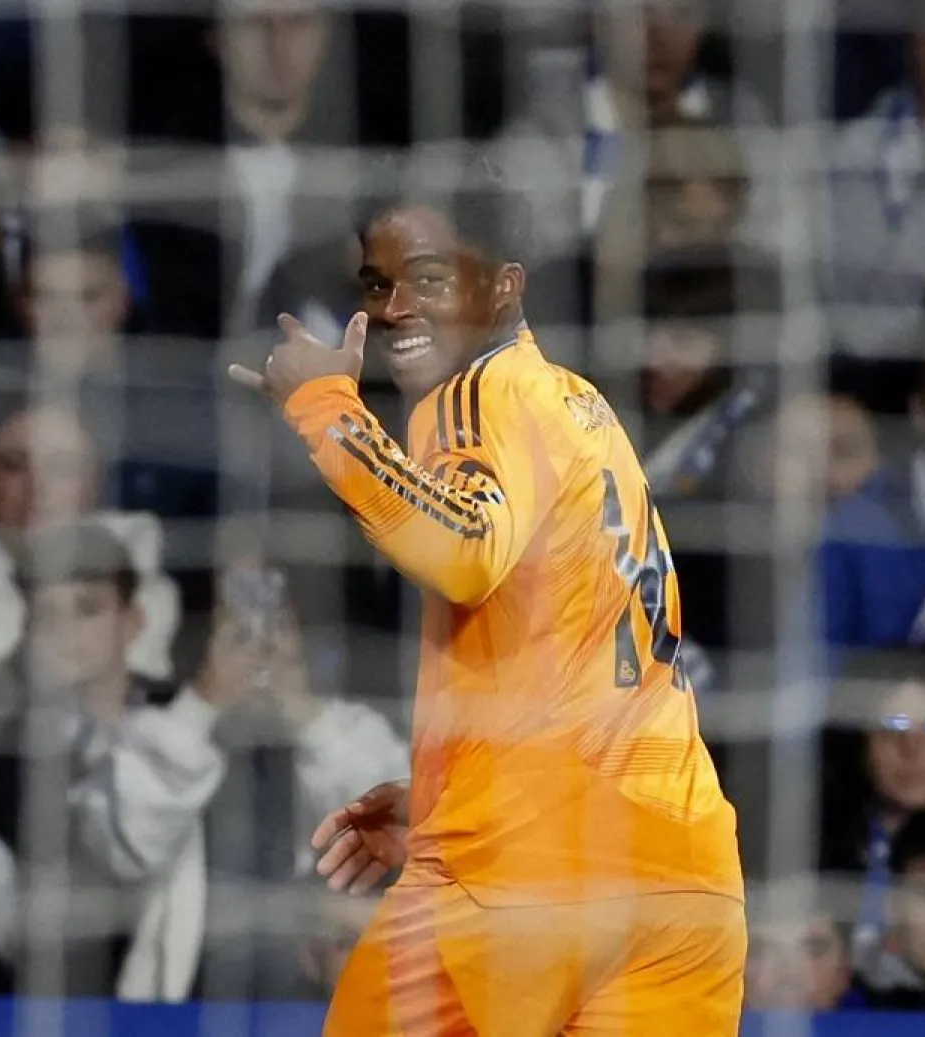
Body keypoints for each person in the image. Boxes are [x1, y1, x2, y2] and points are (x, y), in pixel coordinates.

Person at [228, 159, 745, 1034]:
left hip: (525, 878)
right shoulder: (580, 408)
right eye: (376, 283)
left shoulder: (473, 396)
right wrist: (445, 787)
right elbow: (571, 643)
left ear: (505, 285)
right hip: (686, 883)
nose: (394, 308)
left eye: (428, 278)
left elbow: (467, 547)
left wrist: (323, 405)